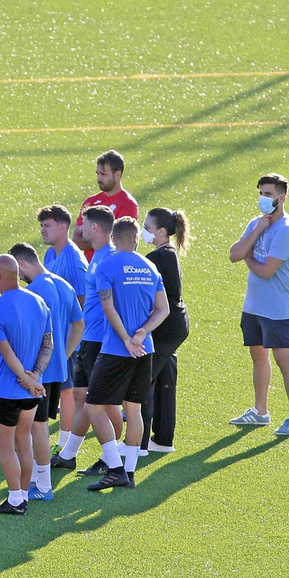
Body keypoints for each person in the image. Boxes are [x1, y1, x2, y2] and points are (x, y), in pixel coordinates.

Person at [84, 217, 169, 491]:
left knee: (94, 407)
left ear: (113, 239)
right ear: (134, 238)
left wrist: (126, 339)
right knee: (134, 411)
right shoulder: (151, 266)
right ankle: (129, 473)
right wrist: (142, 333)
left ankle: (115, 467)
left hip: (116, 349)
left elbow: (109, 308)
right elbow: (163, 309)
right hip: (146, 349)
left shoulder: (107, 266)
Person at [228, 173, 289, 436]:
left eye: (268, 194)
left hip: (276, 308)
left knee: (284, 360)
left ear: (281, 197)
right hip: (254, 306)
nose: (263, 199)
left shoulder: (286, 231)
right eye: (261, 194)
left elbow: (266, 270)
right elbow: (233, 254)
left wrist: (247, 255)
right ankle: (261, 412)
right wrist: (257, 231)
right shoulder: (256, 223)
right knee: (258, 356)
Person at [11, 243, 83, 501]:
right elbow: (79, 323)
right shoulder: (64, 285)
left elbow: (27, 336)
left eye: (18, 272)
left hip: (35, 372)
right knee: (37, 427)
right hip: (56, 371)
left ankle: (42, 485)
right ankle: (35, 482)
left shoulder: (31, 293)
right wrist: (63, 356)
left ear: (22, 264)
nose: (18, 278)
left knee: (35, 428)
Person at [0, 255, 53, 516]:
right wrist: (35, 378)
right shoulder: (40, 302)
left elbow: (6, 352)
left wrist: (26, 380)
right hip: (33, 390)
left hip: (7, 390)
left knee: (6, 444)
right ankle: (23, 494)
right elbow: (49, 344)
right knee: (25, 439)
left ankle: (14, 500)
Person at [50, 206, 117, 471]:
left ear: (96, 228)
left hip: (100, 338)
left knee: (103, 403)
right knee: (81, 396)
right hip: (88, 337)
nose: (80, 228)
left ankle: (111, 458)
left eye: (84, 224)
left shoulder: (109, 258)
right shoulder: (99, 255)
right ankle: (69, 454)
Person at [38, 203, 87, 448]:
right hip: (53, 332)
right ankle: (40, 434)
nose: (43, 231)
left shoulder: (74, 259)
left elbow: (83, 301)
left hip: (68, 336)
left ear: (63, 227)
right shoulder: (50, 255)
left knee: (66, 389)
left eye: (47, 226)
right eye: (41, 226)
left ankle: (65, 442)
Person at [141, 207, 191, 453]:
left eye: (147, 228)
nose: (144, 232)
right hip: (174, 326)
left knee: (142, 380)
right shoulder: (167, 254)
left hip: (166, 328)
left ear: (161, 231)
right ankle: (162, 439)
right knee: (164, 380)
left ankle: (137, 444)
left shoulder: (158, 257)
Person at [72, 150, 139, 260]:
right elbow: (76, 239)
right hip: (88, 268)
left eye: (103, 174)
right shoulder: (90, 201)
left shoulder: (128, 204)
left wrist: (90, 238)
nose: (99, 179)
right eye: (98, 174)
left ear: (118, 174)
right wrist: (100, 239)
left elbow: (120, 241)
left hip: (111, 266)